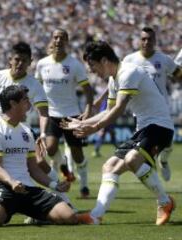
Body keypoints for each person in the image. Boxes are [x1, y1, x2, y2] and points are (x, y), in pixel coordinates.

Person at [62, 40, 175, 225]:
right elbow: (108, 110)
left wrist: (94, 128)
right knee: (110, 167)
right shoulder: (114, 79)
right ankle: (95, 216)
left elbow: (119, 109)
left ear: (105, 60)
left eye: (92, 65)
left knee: (132, 160)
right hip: (144, 130)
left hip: (160, 128)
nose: (91, 70)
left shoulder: (128, 72)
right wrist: (80, 122)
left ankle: (164, 202)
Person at [0, 42, 66, 209]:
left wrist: (43, 133)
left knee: (38, 162)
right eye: (17, 59)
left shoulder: (34, 84)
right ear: (10, 60)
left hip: (21, 130)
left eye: (24, 60)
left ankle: (60, 189)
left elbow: (43, 112)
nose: (20, 63)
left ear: (30, 62)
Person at [0, 85, 78, 227]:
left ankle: (37, 215)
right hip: (4, 187)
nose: (29, 104)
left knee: (69, 217)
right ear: (13, 104)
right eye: (25, 100)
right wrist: (12, 182)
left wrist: (55, 185)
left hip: (27, 189)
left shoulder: (26, 131)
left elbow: (33, 168)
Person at [35, 28, 94, 198]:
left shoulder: (74, 64)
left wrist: (88, 108)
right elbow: (37, 88)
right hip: (51, 115)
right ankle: (63, 168)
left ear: (67, 41)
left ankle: (84, 185)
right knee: (51, 149)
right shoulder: (42, 64)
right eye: (56, 37)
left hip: (71, 115)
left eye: (62, 38)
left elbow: (87, 89)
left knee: (77, 154)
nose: (58, 40)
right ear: (52, 40)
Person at [122, 27, 182, 181]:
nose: (146, 42)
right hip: (141, 113)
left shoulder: (164, 59)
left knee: (168, 145)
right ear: (139, 41)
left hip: (161, 110)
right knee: (146, 153)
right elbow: (116, 81)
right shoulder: (129, 60)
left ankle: (163, 160)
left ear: (155, 41)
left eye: (150, 39)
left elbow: (178, 74)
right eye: (143, 39)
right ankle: (158, 190)